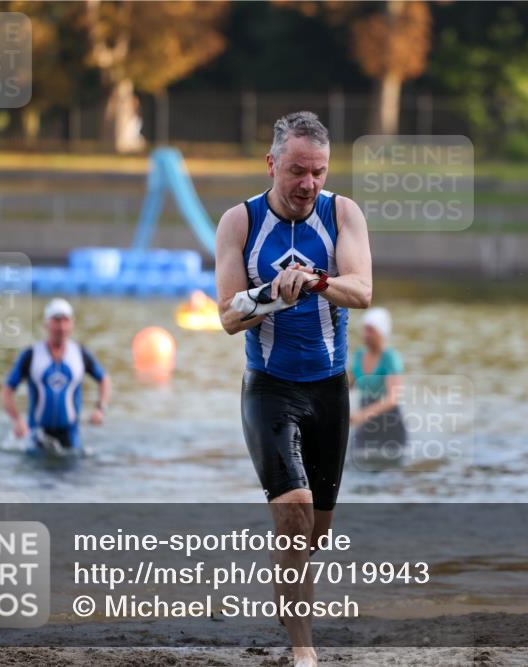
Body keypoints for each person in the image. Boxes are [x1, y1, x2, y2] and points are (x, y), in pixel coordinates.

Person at [215, 111, 372, 667]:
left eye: (319, 172)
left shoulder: (342, 213)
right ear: (272, 164)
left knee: (317, 534)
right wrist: (272, 294)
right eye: (297, 171)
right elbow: (228, 317)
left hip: (329, 390)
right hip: (269, 389)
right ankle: (303, 652)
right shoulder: (239, 222)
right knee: (294, 514)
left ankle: (289, 595)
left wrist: (317, 281)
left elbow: (362, 291)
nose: (309, 184)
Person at [1, 298, 110, 455]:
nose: (61, 327)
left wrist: (100, 408)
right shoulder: (31, 355)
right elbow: (7, 390)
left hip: (70, 437)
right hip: (38, 435)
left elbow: (104, 379)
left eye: (66, 321)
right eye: (57, 321)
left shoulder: (79, 354)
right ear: (47, 324)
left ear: (72, 324)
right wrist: (17, 420)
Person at [348, 307, 406, 467]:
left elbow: (392, 399)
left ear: (381, 332)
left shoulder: (390, 358)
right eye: (365, 329)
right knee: (355, 465)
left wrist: (361, 415)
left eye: (371, 330)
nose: (366, 334)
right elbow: (346, 386)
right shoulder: (359, 355)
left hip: (389, 423)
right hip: (366, 422)